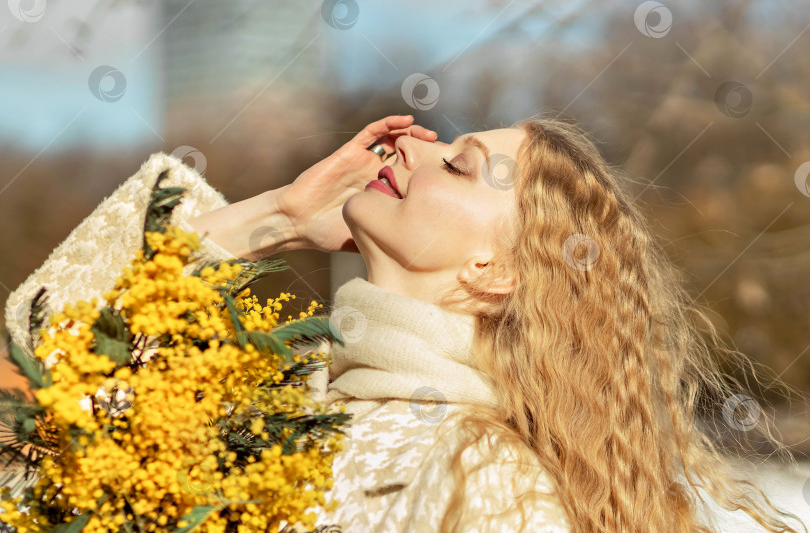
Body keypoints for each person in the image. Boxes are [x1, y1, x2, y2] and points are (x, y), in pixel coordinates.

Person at [4, 115, 807, 532]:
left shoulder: (489, 476)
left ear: (496, 272)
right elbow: (33, 398)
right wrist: (275, 219)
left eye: (456, 165)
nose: (410, 151)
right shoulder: (270, 407)